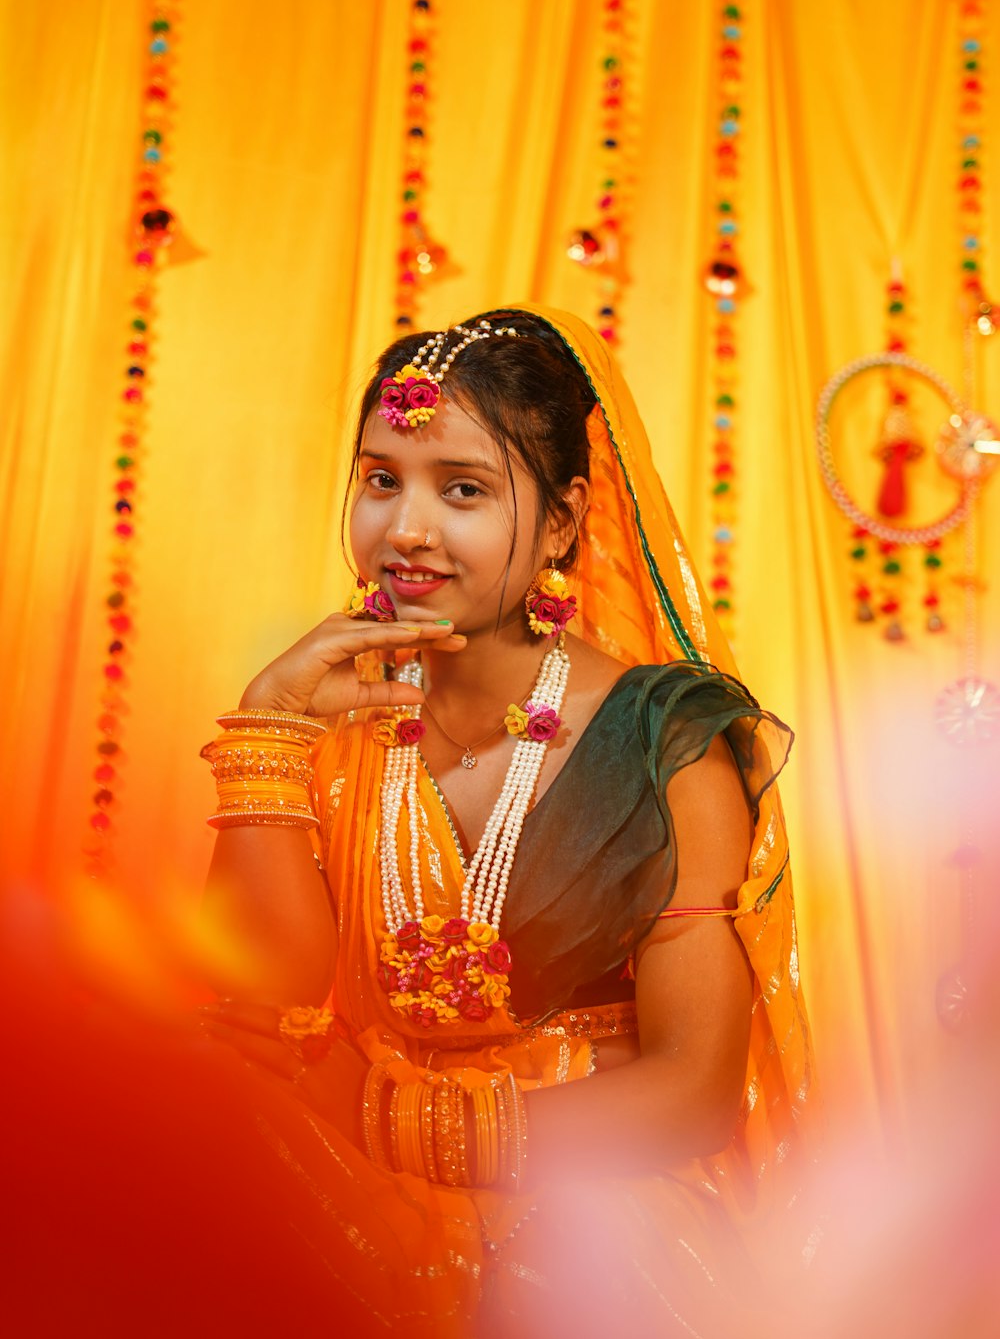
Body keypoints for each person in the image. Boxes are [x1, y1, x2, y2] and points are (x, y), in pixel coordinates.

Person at [199, 305, 819, 1337]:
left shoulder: (659, 744)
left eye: (465, 490)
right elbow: (252, 1006)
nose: (406, 528)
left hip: (593, 1199)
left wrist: (404, 1124)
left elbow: (693, 1092)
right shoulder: (339, 715)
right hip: (362, 1184)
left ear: (566, 523)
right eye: (381, 478)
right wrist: (269, 730)